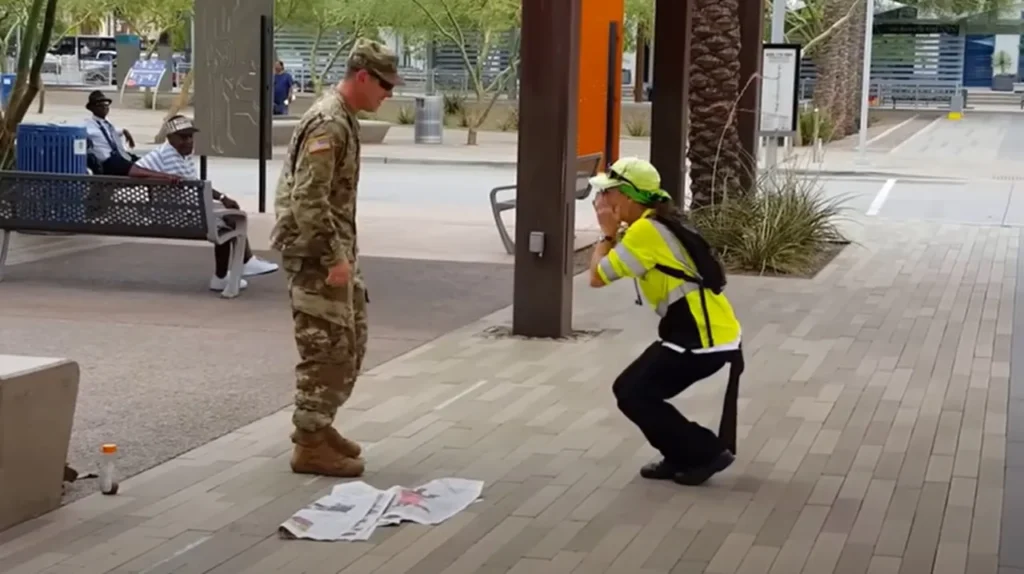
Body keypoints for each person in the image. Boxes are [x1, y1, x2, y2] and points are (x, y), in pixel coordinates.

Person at [271, 38, 402, 477]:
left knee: (350, 342)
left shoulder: (343, 118)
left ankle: (319, 424)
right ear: (362, 76)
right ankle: (308, 442)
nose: (389, 94)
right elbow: (309, 197)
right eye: (384, 85)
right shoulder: (329, 122)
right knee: (326, 349)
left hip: (333, 250)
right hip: (315, 255)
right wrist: (332, 258)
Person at [588, 157, 745, 486]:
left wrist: (606, 235)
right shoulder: (658, 222)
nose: (601, 201)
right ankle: (679, 455)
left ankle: (705, 452)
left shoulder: (645, 231)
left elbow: (598, 277)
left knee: (632, 392)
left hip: (701, 337)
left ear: (629, 197)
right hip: (704, 332)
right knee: (636, 391)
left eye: (608, 194)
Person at [134, 115, 280, 291]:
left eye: (190, 137)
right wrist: (165, 177)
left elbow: (196, 183)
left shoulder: (183, 155)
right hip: (177, 215)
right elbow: (134, 170)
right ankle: (227, 273)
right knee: (228, 224)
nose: (188, 141)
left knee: (232, 211)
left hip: (189, 210)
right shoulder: (162, 154)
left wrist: (223, 197)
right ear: (170, 138)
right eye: (183, 137)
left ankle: (243, 264)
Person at [83, 91, 145, 177]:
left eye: (106, 104)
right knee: (140, 170)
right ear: (92, 108)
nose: (104, 107)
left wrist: (124, 131)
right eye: (100, 104)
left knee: (146, 162)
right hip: (108, 162)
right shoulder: (87, 125)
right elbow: (76, 133)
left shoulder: (107, 124)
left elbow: (110, 132)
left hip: (120, 157)